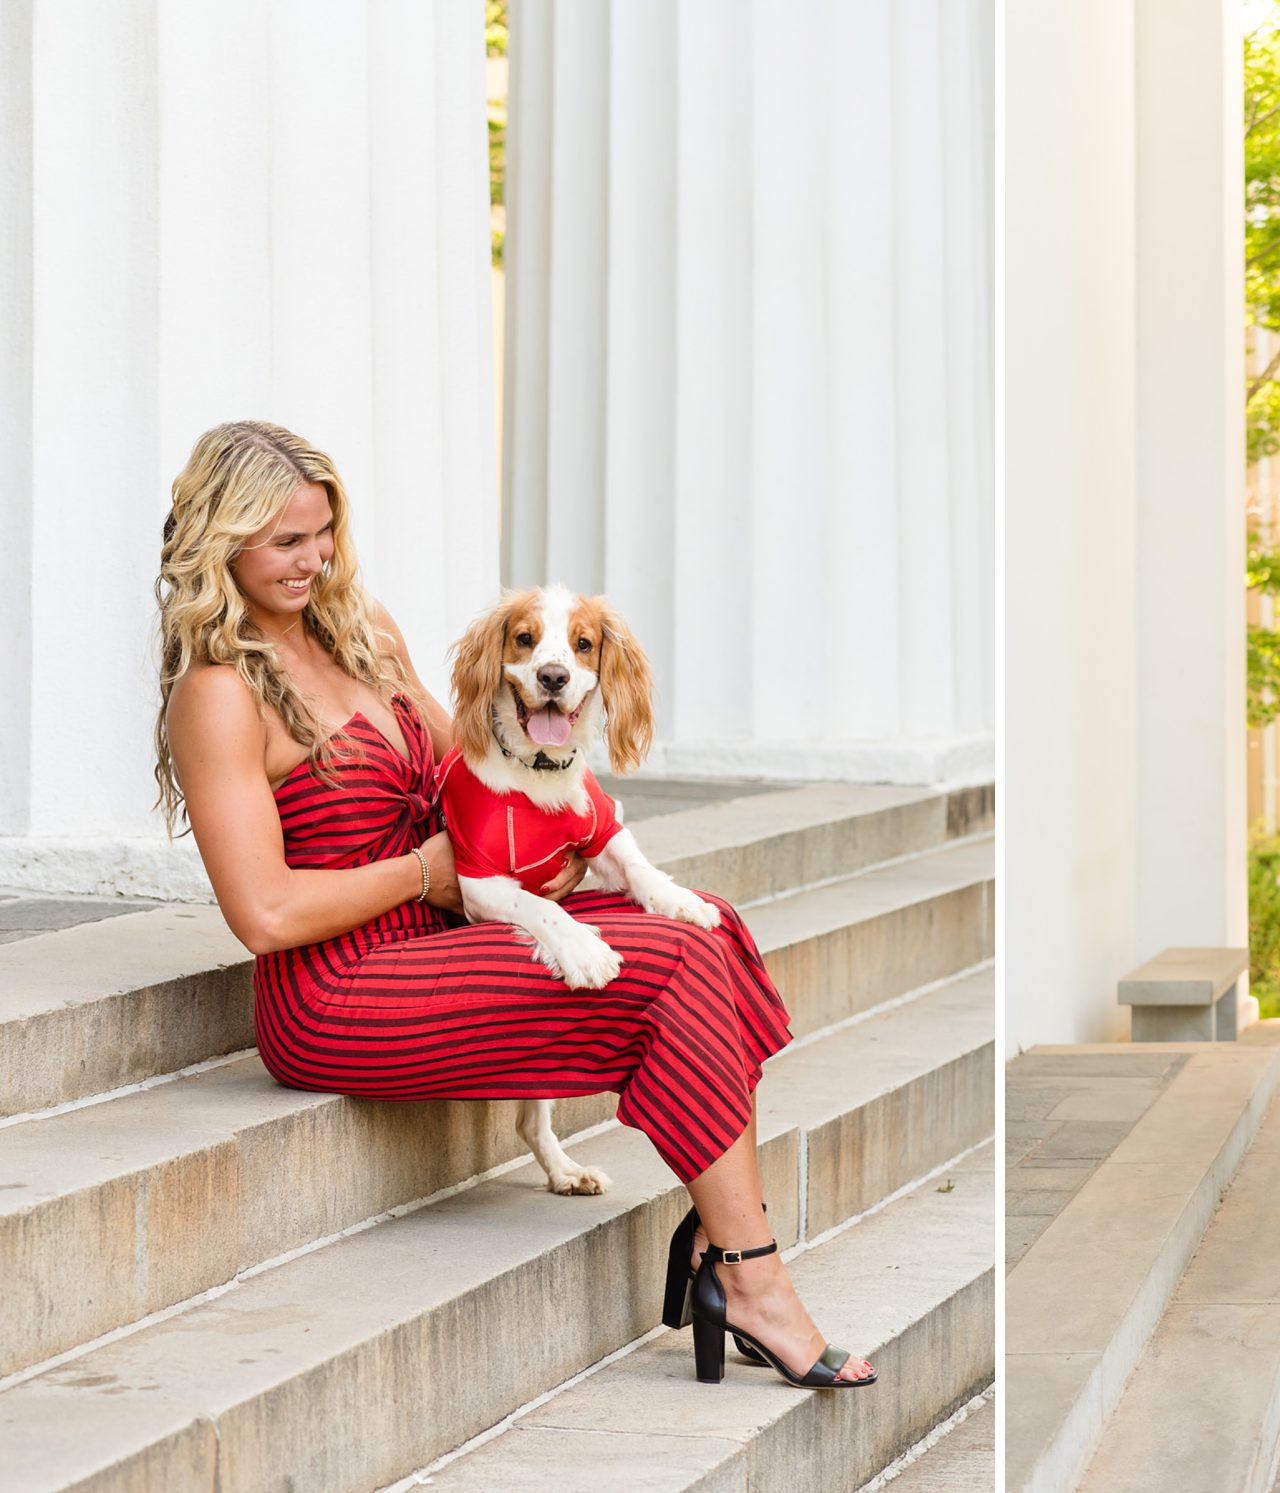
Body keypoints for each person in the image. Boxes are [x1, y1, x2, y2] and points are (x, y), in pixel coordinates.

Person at [155, 419, 872, 1388]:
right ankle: (750, 1280)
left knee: (697, 920)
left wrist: (554, 824)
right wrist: (428, 873)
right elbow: (266, 914)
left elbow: (468, 765)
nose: (313, 559)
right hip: (340, 990)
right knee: (669, 965)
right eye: (285, 541)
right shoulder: (218, 694)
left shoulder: (362, 630)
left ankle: (725, 1241)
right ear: (220, 540)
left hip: (455, 921)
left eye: (322, 532)